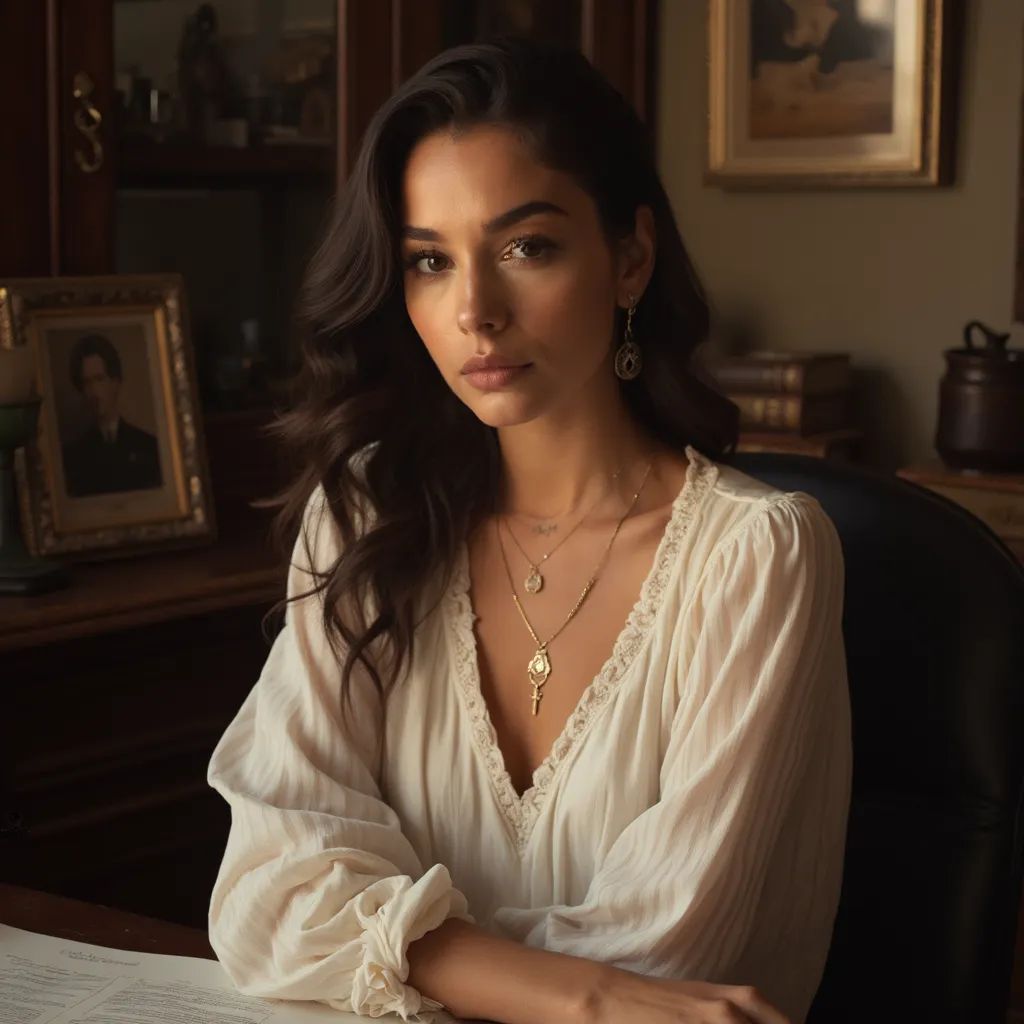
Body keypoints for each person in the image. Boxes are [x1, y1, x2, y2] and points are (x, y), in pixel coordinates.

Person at [206, 36, 852, 1024]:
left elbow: (671, 954)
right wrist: (583, 991)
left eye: (524, 247)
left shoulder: (755, 557)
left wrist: (394, 949)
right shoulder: (369, 513)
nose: (475, 310)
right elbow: (267, 891)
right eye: (428, 261)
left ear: (629, 258)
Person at [62, 333, 162, 497]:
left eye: (99, 379)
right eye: (87, 383)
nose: (93, 392)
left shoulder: (149, 448)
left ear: (115, 382)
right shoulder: (71, 457)